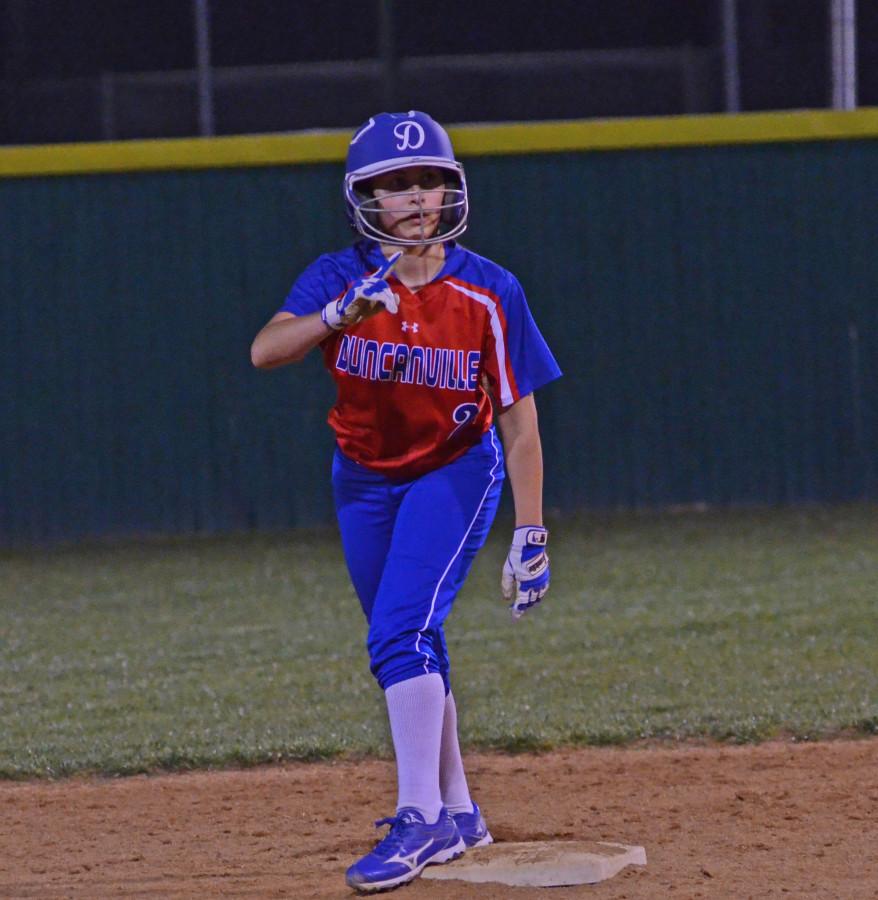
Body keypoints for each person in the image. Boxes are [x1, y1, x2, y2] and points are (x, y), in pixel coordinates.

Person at [251, 110, 561, 893]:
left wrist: (531, 531)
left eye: (430, 180)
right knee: (412, 638)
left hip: (454, 470)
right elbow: (265, 350)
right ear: (367, 198)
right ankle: (458, 813)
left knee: (398, 635)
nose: (417, 196)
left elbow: (520, 426)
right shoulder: (339, 277)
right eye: (396, 184)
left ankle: (417, 816)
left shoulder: (490, 291)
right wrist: (337, 316)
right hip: (362, 477)